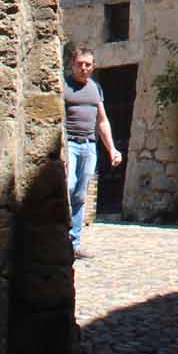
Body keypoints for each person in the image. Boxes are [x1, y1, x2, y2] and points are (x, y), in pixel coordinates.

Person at [62, 43, 121, 256]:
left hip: (88, 145)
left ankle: (74, 243)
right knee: (67, 188)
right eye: (79, 64)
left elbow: (102, 121)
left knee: (80, 194)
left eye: (88, 64)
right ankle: (60, 236)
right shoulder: (63, 86)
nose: (83, 68)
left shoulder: (95, 89)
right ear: (72, 65)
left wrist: (112, 149)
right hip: (69, 143)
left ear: (93, 66)